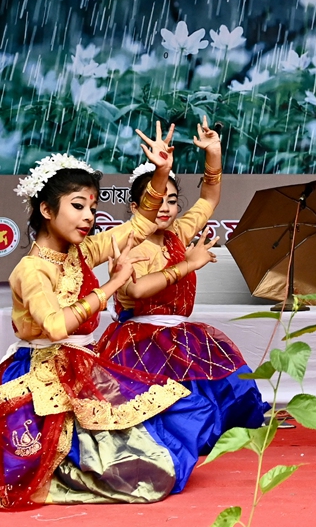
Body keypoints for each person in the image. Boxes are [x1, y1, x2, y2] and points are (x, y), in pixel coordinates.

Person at [1, 124, 212, 509]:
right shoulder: (32, 270)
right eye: (78, 206)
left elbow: (138, 225)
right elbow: (56, 326)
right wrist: (113, 284)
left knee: (174, 421)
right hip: (38, 373)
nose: (89, 216)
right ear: (47, 210)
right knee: (40, 461)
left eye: (93, 208)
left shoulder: (81, 250)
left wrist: (160, 172)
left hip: (81, 362)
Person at [97, 117, 267, 452]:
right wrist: (187, 264)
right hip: (139, 339)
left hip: (181, 334)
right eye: (155, 199)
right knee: (163, 418)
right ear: (135, 207)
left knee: (234, 397)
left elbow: (209, 198)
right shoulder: (129, 242)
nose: (164, 207)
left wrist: (214, 153)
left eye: (172, 200)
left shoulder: (177, 234)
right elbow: (136, 290)